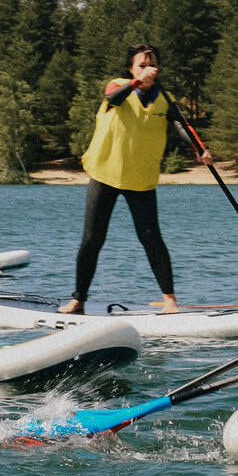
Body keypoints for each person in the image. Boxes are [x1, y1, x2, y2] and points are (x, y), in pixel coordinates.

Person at [58, 44, 212, 316]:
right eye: (141, 64)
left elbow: (181, 126)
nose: (147, 69)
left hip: (140, 177)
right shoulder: (117, 85)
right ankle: (78, 300)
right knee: (93, 239)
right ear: (131, 68)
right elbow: (115, 98)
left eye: (151, 64)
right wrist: (136, 82)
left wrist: (200, 149)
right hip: (106, 172)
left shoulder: (164, 97)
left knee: (151, 238)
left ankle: (170, 301)